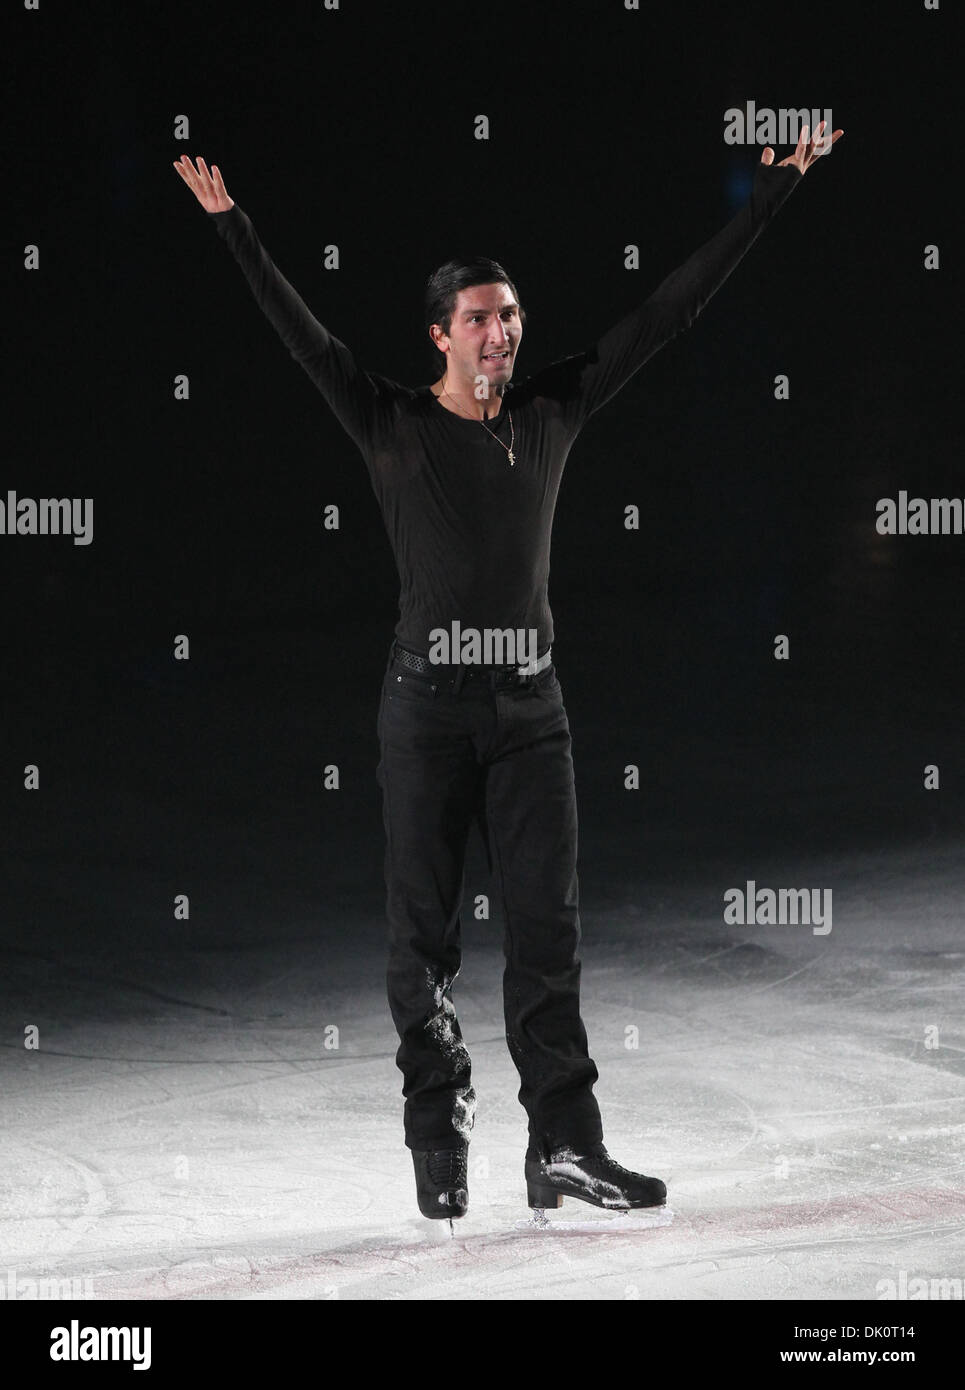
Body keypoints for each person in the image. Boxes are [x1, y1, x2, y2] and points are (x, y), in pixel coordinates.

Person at [174, 121, 842, 1225]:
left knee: (547, 932)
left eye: (511, 314)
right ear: (439, 334)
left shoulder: (550, 411)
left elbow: (668, 313)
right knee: (418, 942)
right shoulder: (388, 420)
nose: (502, 330)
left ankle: (563, 1148)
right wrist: (232, 226)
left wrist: (769, 194)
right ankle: (437, 1135)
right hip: (425, 716)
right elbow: (299, 335)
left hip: (530, 711)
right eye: (480, 317)